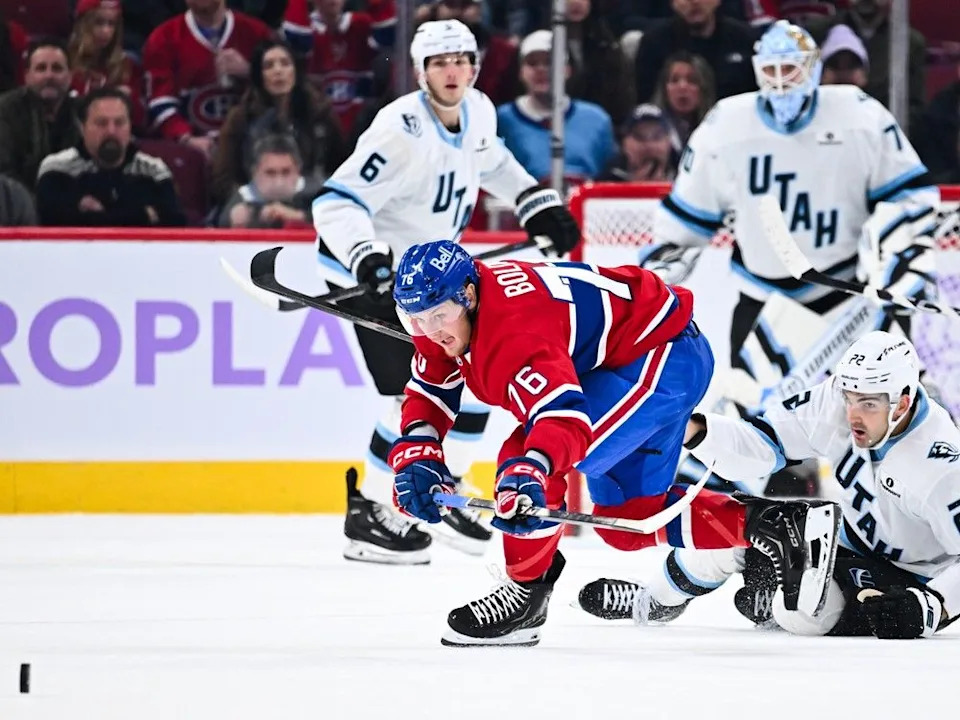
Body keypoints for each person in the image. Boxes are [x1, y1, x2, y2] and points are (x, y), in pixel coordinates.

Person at [387, 239, 841, 647]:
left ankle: (526, 593)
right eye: (416, 319)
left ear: (468, 295)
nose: (430, 331)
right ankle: (774, 527)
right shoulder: (446, 313)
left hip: (662, 355)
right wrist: (419, 455)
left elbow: (561, 421)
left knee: (523, 459)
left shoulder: (515, 331)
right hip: (627, 357)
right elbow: (431, 390)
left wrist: (531, 471)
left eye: (439, 316)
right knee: (627, 519)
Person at [312, 20, 581, 566]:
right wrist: (367, 259)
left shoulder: (479, 109)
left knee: (473, 377)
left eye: (460, 59)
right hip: (371, 278)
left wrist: (536, 202)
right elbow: (335, 204)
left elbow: (494, 162)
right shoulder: (400, 130)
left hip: (432, 281)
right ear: (420, 72)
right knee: (408, 393)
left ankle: (445, 484)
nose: (452, 71)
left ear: (475, 66)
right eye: (439, 63)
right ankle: (370, 511)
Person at [650, 21, 939, 456]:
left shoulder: (860, 114)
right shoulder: (725, 125)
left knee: (895, 433)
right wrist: (648, 291)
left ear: (814, 68)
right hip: (764, 300)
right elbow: (683, 228)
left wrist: (894, 250)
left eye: (793, 69)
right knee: (758, 442)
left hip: (854, 299)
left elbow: (913, 198)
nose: (782, 82)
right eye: (772, 70)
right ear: (756, 70)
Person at [578, 331, 960, 640]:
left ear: (903, 401)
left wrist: (933, 606)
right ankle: (653, 599)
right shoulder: (837, 399)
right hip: (842, 538)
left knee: (802, 616)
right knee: (732, 537)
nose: (852, 415)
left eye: (869, 405)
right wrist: (691, 430)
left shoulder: (941, 466)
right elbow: (762, 445)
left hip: (905, 573)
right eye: (849, 397)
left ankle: (772, 596)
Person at [212, 38, 345, 205]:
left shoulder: (320, 114)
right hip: (254, 206)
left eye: (285, 63)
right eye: (269, 66)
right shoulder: (240, 118)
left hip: (312, 204)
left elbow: (341, 168)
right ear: (259, 76)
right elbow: (223, 179)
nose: (278, 71)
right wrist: (244, 203)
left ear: (296, 71)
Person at [36, 87, 186, 227]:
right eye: (101, 123)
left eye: (119, 123)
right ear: (82, 128)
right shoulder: (57, 167)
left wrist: (95, 215)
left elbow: (175, 224)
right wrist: (144, 214)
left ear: (130, 127)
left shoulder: (153, 170)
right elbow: (53, 221)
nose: (111, 131)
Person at [142, 0, 274, 158]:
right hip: (191, 150)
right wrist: (186, 138)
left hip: (251, 144)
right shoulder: (163, 38)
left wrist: (251, 71)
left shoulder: (257, 32)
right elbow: (160, 102)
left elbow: (282, 94)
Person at [496, 30, 615, 186]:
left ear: (567, 70)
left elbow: (610, 176)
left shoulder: (597, 119)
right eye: (532, 63)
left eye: (550, 62)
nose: (541, 69)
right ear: (521, 72)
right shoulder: (502, 120)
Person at [0, 38, 80, 191]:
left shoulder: (83, 112)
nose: (49, 76)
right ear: (27, 76)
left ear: (70, 76)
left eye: (57, 68)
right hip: (18, 206)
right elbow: (4, 172)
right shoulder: (6, 110)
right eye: (41, 68)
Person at [68, 0, 146, 132]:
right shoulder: (65, 62)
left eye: (111, 24)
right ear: (83, 24)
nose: (106, 31)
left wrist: (128, 100)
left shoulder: (126, 66)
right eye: (98, 23)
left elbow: (141, 120)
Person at [218, 133, 313, 228]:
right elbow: (222, 224)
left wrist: (298, 217)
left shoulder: (315, 191)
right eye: (270, 173)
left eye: (286, 172)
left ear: (298, 170)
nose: (278, 182)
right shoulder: (245, 196)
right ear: (254, 172)